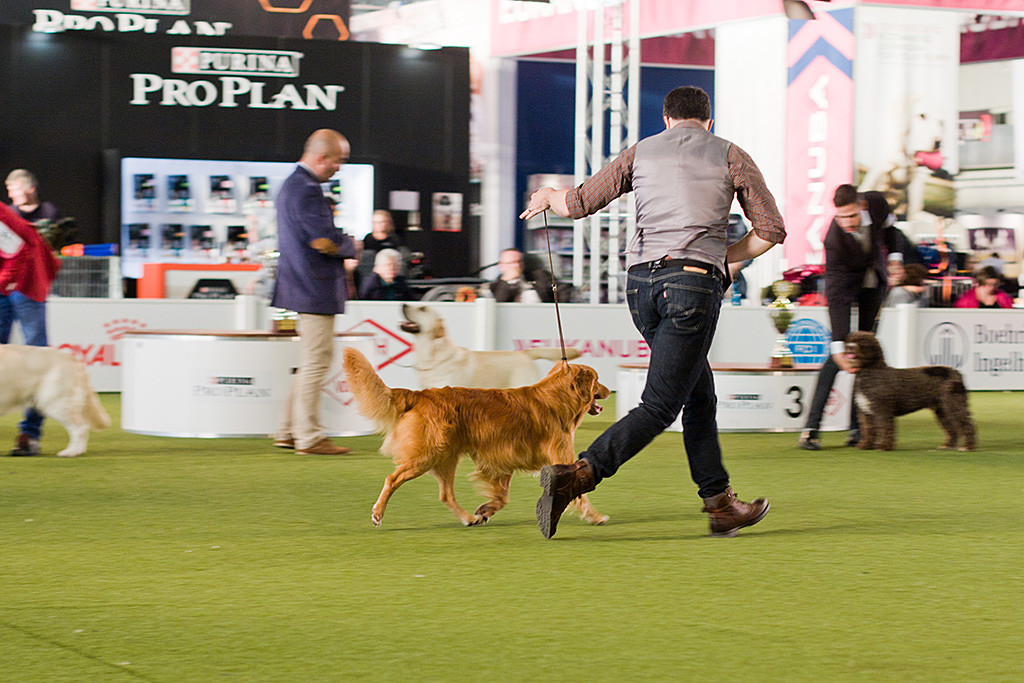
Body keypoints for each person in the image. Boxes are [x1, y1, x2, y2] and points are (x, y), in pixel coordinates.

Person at [520, 85, 785, 539]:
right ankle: (576, 476)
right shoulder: (730, 154)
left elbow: (579, 203)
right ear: (709, 121)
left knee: (698, 395)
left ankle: (720, 504)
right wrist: (724, 256)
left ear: (665, 121)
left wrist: (548, 194)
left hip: (640, 288)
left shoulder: (639, 152)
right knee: (661, 405)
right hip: (692, 287)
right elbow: (771, 230)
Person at [271, 129, 358, 456]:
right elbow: (322, 241)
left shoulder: (293, 186)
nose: (340, 168)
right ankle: (309, 436)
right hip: (315, 289)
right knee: (317, 362)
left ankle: (287, 430)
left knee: (311, 361)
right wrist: (351, 245)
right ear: (322, 157)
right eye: (339, 161)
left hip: (301, 287)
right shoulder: (307, 190)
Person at [798, 184, 887, 451]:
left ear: (862, 206)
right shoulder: (833, 241)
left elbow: (891, 230)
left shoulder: (878, 203)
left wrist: (894, 256)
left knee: (867, 355)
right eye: (841, 217)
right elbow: (835, 295)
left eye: (851, 215)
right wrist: (837, 345)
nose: (847, 222)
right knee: (839, 356)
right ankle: (811, 429)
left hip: (874, 287)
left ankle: (858, 429)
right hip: (846, 289)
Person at [0, 201, 62, 456]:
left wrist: (4, 282)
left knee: (38, 357)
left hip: (27, 283)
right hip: (4, 283)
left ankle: (30, 434)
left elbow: (23, 247)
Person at [489, 248, 555, 303]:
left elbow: (561, 290)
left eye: (519, 261)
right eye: (512, 262)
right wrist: (508, 282)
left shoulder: (540, 276)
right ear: (502, 266)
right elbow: (499, 304)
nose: (517, 265)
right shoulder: (496, 286)